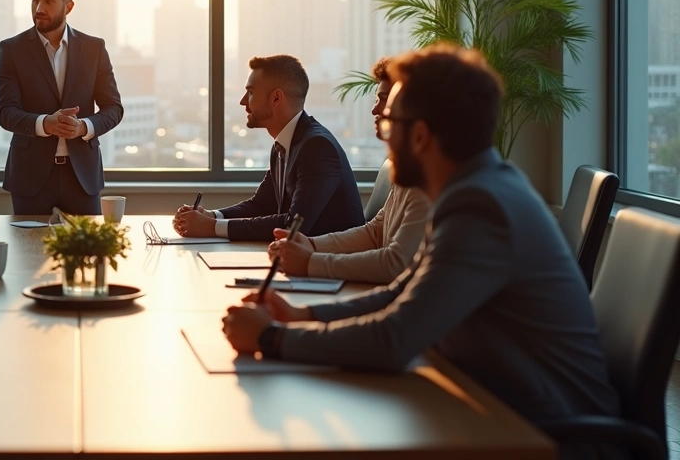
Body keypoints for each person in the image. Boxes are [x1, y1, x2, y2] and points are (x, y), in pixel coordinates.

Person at [222, 45, 620, 448]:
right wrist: (298, 315)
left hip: (549, 436)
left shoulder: (481, 207)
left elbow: (396, 339)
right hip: (502, 407)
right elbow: (400, 293)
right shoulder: (474, 189)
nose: (382, 131)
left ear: (420, 135)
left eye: (390, 120)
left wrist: (273, 339)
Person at [268, 58, 430, 284]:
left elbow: (395, 264)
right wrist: (311, 245)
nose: (375, 109)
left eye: (385, 100)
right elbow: (375, 233)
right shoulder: (408, 169)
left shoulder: (433, 180)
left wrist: (310, 262)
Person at [173, 54, 363, 240]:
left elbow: (294, 225)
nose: (243, 101)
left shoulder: (317, 147)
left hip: (330, 265)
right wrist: (212, 216)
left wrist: (212, 228)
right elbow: (261, 205)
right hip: (301, 260)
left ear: (276, 98)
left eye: (251, 92)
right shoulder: (283, 144)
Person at [0, 0, 124, 215]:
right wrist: (46, 124)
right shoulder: (12, 50)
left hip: (82, 177)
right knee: (27, 251)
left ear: (69, 6)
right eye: (35, 0)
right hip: (29, 176)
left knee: (87, 252)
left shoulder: (94, 49)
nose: (39, 8)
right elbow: (5, 112)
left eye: (49, 1)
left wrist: (84, 127)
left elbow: (113, 108)